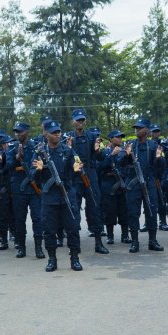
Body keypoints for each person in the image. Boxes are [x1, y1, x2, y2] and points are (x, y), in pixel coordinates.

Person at [32, 120, 84, 272]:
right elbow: (32, 176)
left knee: (73, 228)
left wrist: (78, 169)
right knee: (49, 230)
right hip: (49, 198)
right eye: (53, 132)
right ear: (45, 134)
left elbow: (79, 166)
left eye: (58, 132)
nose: (57, 135)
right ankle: (52, 259)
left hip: (67, 194)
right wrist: (39, 170)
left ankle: (75, 258)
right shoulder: (39, 153)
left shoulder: (68, 151)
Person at [68, 109, 108, 254]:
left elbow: (102, 157)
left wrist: (98, 151)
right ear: (72, 121)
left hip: (90, 176)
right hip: (75, 177)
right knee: (74, 211)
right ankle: (75, 245)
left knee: (95, 210)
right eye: (78, 120)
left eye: (82, 120)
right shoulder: (68, 138)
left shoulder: (93, 137)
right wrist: (68, 148)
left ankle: (98, 243)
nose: (80, 122)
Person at [121, 117, 164, 253]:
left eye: (140, 128)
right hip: (133, 183)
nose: (137, 130)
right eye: (136, 128)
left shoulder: (153, 146)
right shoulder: (130, 145)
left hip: (149, 182)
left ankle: (152, 240)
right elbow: (121, 164)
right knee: (133, 212)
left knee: (152, 211)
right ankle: (134, 241)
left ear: (147, 130)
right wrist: (127, 155)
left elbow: (160, 167)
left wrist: (158, 158)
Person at [7, 122, 44, 258]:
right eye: (16, 131)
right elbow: (8, 166)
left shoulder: (36, 147)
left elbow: (42, 164)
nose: (17, 134)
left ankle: (39, 248)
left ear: (27, 132)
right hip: (19, 189)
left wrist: (38, 168)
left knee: (37, 219)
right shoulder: (12, 148)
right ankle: (21, 247)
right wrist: (17, 158)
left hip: (34, 189)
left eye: (20, 131)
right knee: (19, 219)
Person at [99, 130, 130, 245]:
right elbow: (100, 167)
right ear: (111, 139)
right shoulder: (104, 152)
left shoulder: (124, 151)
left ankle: (125, 235)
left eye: (121, 137)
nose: (120, 139)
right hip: (108, 184)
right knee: (109, 211)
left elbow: (128, 166)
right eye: (117, 137)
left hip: (121, 183)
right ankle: (110, 236)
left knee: (124, 210)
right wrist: (111, 155)